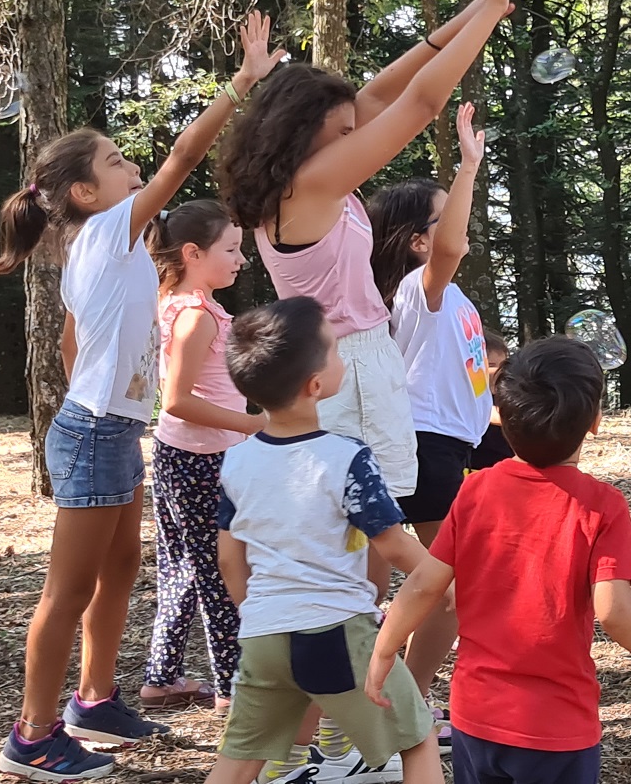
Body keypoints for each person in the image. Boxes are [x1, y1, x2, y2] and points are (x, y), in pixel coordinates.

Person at [0, 13, 284, 782]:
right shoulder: (114, 226)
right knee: (70, 589)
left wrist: (110, 393)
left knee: (121, 566)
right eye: (119, 162)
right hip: (94, 433)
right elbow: (185, 157)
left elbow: (70, 342)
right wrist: (240, 84)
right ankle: (32, 733)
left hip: (107, 427)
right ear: (87, 190)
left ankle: (94, 698)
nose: (133, 169)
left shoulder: (91, 249)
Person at [219, 0, 516, 565]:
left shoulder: (302, 181)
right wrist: (487, 14)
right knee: (359, 543)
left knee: (368, 540)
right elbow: (422, 101)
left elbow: (383, 92)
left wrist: (475, 8)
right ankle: (353, 648)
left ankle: (364, 650)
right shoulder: (309, 186)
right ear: (302, 131)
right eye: (344, 129)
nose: (357, 133)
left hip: (360, 362)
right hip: (345, 369)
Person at [366, 337, 631, 784]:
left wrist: (384, 654)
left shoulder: (476, 490)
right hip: (555, 726)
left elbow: (422, 585)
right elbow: (615, 611)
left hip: (475, 716)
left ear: (502, 421)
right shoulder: (602, 506)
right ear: (594, 421)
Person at [203, 296, 441, 784]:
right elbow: (394, 547)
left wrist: (261, 612)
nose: (341, 356)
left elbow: (230, 561)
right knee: (417, 742)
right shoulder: (348, 456)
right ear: (316, 386)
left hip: (264, 635)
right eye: (334, 349)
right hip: (337, 633)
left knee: (239, 762)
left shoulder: (238, 461)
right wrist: (448, 579)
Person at [366, 102, 493, 730]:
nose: (459, 231)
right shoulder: (421, 287)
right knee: (449, 585)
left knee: (448, 584)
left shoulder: (448, 296)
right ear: (421, 241)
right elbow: (453, 245)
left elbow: (465, 378)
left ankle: (407, 701)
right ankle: (406, 702)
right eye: (444, 221)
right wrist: (468, 166)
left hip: (454, 441)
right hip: (423, 445)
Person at [140, 200, 267, 713]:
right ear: (192, 253)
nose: (241, 260)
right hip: (202, 460)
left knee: (183, 566)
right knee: (219, 567)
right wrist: (255, 424)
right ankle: (231, 688)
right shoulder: (196, 316)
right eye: (231, 250)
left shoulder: (170, 302)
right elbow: (177, 399)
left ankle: (161, 676)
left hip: (178, 457)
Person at [469, 329, 513, 471]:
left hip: (505, 466)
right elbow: (490, 414)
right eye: (492, 365)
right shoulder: (469, 398)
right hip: (477, 469)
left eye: (504, 365)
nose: (500, 371)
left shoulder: (506, 395)